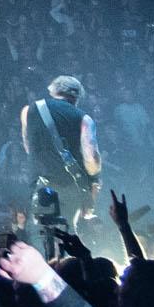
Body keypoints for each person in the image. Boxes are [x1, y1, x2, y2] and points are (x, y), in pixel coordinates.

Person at [19, 79, 100, 247]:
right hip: (70, 187)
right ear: (77, 97)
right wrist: (95, 177)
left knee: (39, 237)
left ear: (53, 91)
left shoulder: (28, 111)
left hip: (39, 185)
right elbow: (91, 159)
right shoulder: (84, 119)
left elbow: (28, 148)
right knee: (67, 235)